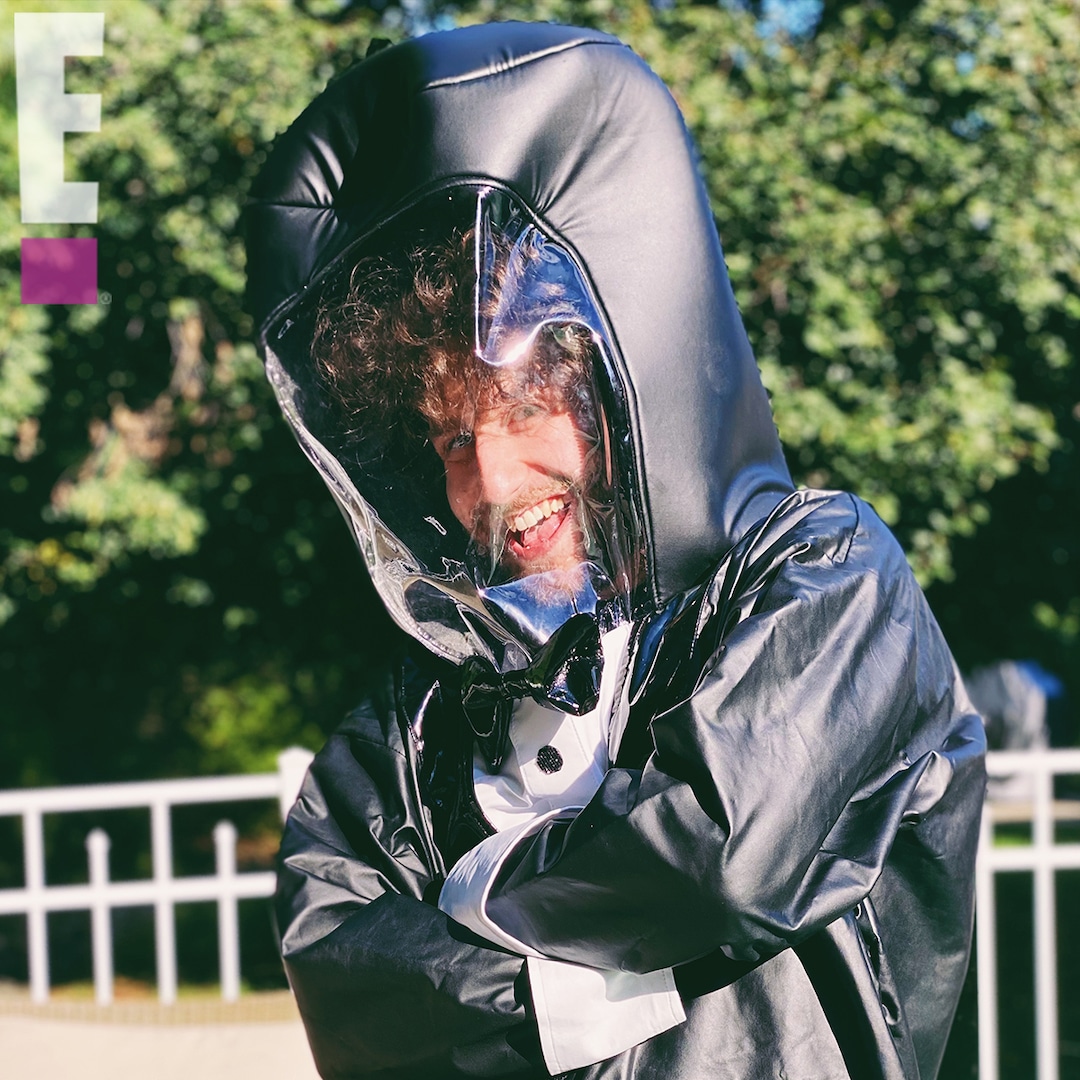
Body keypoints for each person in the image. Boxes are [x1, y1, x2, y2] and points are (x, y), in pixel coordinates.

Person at [246, 22, 986, 1080]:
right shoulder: (436, 704)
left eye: (525, 405)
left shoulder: (822, 579)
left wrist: (460, 920)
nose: (491, 479)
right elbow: (340, 965)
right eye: (451, 439)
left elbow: (717, 859)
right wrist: (565, 972)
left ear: (621, 375)